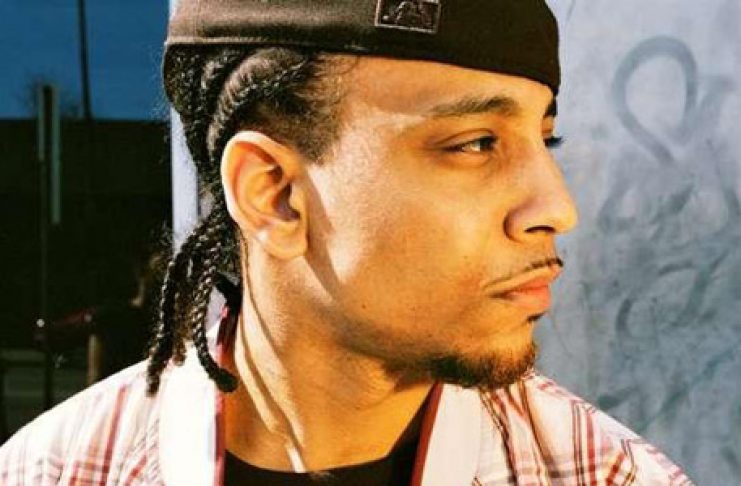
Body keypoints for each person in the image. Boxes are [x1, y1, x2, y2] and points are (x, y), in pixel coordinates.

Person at [0, 1, 694, 484]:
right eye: (476, 143)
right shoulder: (57, 472)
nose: (557, 209)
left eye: (545, 140)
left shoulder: (605, 474)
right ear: (273, 194)